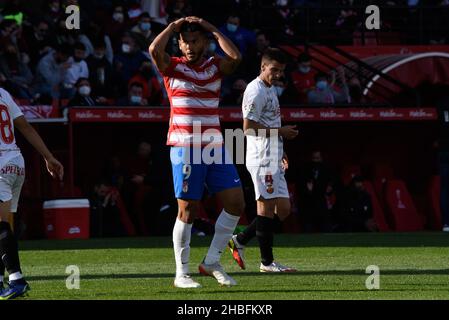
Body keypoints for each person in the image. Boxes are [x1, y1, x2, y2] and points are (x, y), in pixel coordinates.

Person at [149, 16, 244, 288]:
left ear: (204, 42)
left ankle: (212, 260)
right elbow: (154, 51)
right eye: (185, 42)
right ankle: (181, 273)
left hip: (215, 146)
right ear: (178, 45)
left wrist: (213, 28)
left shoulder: (215, 66)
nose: (189, 47)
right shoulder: (172, 67)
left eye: (194, 41)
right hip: (184, 146)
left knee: (236, 203)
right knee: (187, 210)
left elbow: (235, 57)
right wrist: (172, 28)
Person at [227, 48, 299, 273]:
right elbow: (247, 129)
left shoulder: (271, 89)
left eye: (281, 71)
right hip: (261, 157)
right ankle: (267, 263)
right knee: (265, 208)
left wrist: (282, 148)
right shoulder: (255, 90)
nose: (277, 74)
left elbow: (269, 120)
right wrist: (281, 132)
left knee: (284, 209)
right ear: (262, 67)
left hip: (274, 154)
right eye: (274, 69)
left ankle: (239, 240)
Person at [0, 87, 64, 299]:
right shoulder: (3, 93)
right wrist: (48, 156)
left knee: (1, 226)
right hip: (16, 162)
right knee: (5, 225)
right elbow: (25, 127)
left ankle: (16, 279)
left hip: (0, 162)